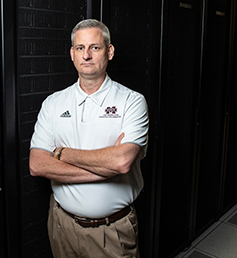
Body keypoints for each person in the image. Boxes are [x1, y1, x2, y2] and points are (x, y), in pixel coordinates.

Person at [29, 19, 149, 258]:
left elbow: (122, 162)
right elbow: (36, 164)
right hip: (62, 225)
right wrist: (105, 169)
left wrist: (62, 153)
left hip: (111, 231)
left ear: (110, 51)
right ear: (72, 54)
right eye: (80, 48)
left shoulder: (132, 102)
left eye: (95, 47)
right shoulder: (53, 103)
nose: (86, 55)